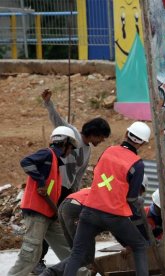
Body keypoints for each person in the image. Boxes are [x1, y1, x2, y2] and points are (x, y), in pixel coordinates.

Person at [35, 89, 111, 274]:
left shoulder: (87, 151)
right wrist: (48, 103)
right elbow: (56, 120)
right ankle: (38, 262)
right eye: (101, 137)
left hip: (67, 192)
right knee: (47, 223)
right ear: (93, 133)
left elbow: (78, 175)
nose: (101, 141)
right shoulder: (71, 134)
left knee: (58, 225)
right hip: (54, 186)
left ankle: (72, 261)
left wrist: (74, 194)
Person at [62, 121, 151, 276]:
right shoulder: (137, 164)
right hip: (115, 216)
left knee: (77, 253)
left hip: (89, 211)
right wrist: (140, 226)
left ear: (126, 134)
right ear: (142, 143)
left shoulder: (108, 151)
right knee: (139, 245)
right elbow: (131, 199)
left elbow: (99, 173)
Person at [40, 175, 149, 276]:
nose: (137, 194)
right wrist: (127, 244)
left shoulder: (112, 189)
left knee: (79, 256)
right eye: (138, 190)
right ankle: (50, 273)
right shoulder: (118, 196)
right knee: (84, 256)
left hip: (68, 205)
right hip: (77, 208)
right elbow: (116, 225)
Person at [7, 126, 79, 276]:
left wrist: (56, 213)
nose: (71, 151)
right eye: (71, 147)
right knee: (32, 251)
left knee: (65, 247)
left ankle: (81, 272)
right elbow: (26, 162)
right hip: (37, 212)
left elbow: (51, 190)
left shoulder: (55, 162)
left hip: (48, 212)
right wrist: (40, 183)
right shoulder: (47, 154)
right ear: (64, 143)